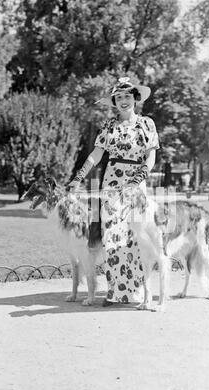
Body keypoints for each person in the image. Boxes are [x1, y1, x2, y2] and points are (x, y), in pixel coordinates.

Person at [67, 77, 159, 306]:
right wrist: (79, 176)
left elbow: (151, 157)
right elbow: (97, 154)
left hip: (136, 184)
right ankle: (116, 291)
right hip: (111, 183)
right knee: (113, 237)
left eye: (127, 96)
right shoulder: (109, 126)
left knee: (136, 237)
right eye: (119, 98)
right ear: (114, 102)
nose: (123, 101)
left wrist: (137, 179)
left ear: (135, 98)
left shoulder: (147, 124)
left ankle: (136, 290)